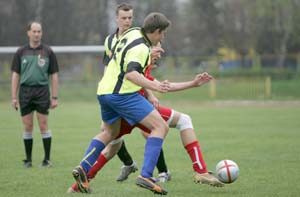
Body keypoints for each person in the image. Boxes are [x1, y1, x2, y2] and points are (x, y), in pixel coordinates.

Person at [67, 44, 224, 194]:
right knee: (183, 121)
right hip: (136, 110)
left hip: (124, 112)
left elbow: (160, 85)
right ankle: (199, 170)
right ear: (147, 46)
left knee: (112, 147)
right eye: (158, 46)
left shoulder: (140, 65)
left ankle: (78, 185)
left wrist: (193, 83)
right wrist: (151, 93)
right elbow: (139, 80)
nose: (160, 52)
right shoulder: (136, 62)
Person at [71, 12, 171, 195]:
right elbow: (131, 74)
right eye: (163, 33)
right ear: (156, 31)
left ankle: (83, 168)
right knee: (161, 127)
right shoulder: (141, 48)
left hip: (103, 91)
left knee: (110, 132)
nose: (163, 37)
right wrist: (154, 85)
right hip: (122, 94)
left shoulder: (132, 32)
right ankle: (146, 175)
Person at [102, 2, 170, 183]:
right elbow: (108, 68)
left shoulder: (139, 38)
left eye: (130, 18)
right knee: (110, 133)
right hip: (115, 94)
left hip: (135, 93)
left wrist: (151, 93)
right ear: (116, 18)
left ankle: (162, 171)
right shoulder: (109, 41)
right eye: (123, 18)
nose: (127, 21)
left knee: (151, 131)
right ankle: (129, 163)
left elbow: (140, 73)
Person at [11, 21, 59, 168]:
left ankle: (47, 160)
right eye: (34, 31)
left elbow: (54, 75)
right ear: (29, 33)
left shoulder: (48, 51)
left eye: (39, 31)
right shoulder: (21, 52)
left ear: (41, 33)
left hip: (42, 91)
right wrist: (13, 97)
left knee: (43, 125)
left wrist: (55, 97)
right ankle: (28, 160)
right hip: (25, 92)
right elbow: (15, 74)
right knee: (28, 126)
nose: (37, 34)